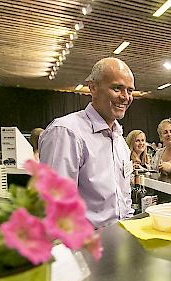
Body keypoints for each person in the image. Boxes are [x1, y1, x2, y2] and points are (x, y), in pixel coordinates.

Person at [39, 57, 135, 228]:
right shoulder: (66, 132)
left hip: (121, 237)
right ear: (93, 87)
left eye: (129, 90)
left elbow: (123, 198)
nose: (125, 97)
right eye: (117, 88)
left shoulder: (120, 140)